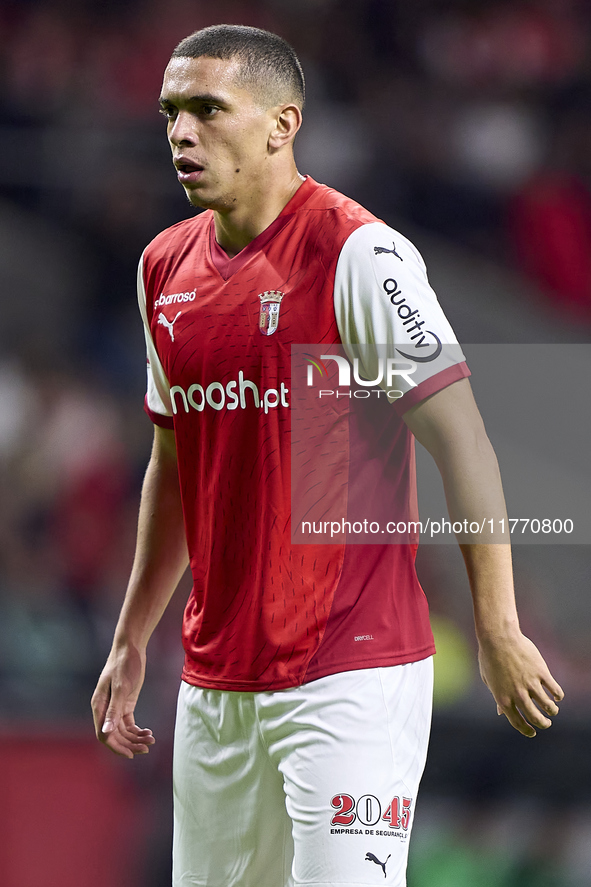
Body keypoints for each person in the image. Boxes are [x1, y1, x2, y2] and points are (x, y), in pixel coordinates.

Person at [91, 24, 564, 887]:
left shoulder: (358, 254)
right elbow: (173, 460)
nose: (180, 134)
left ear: (282, 123)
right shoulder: (163, 269)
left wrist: (495, 625)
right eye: (169, 114)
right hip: (215, 684)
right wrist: (132, 636)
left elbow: (462, 437)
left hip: (352, 674)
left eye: (207, 110)